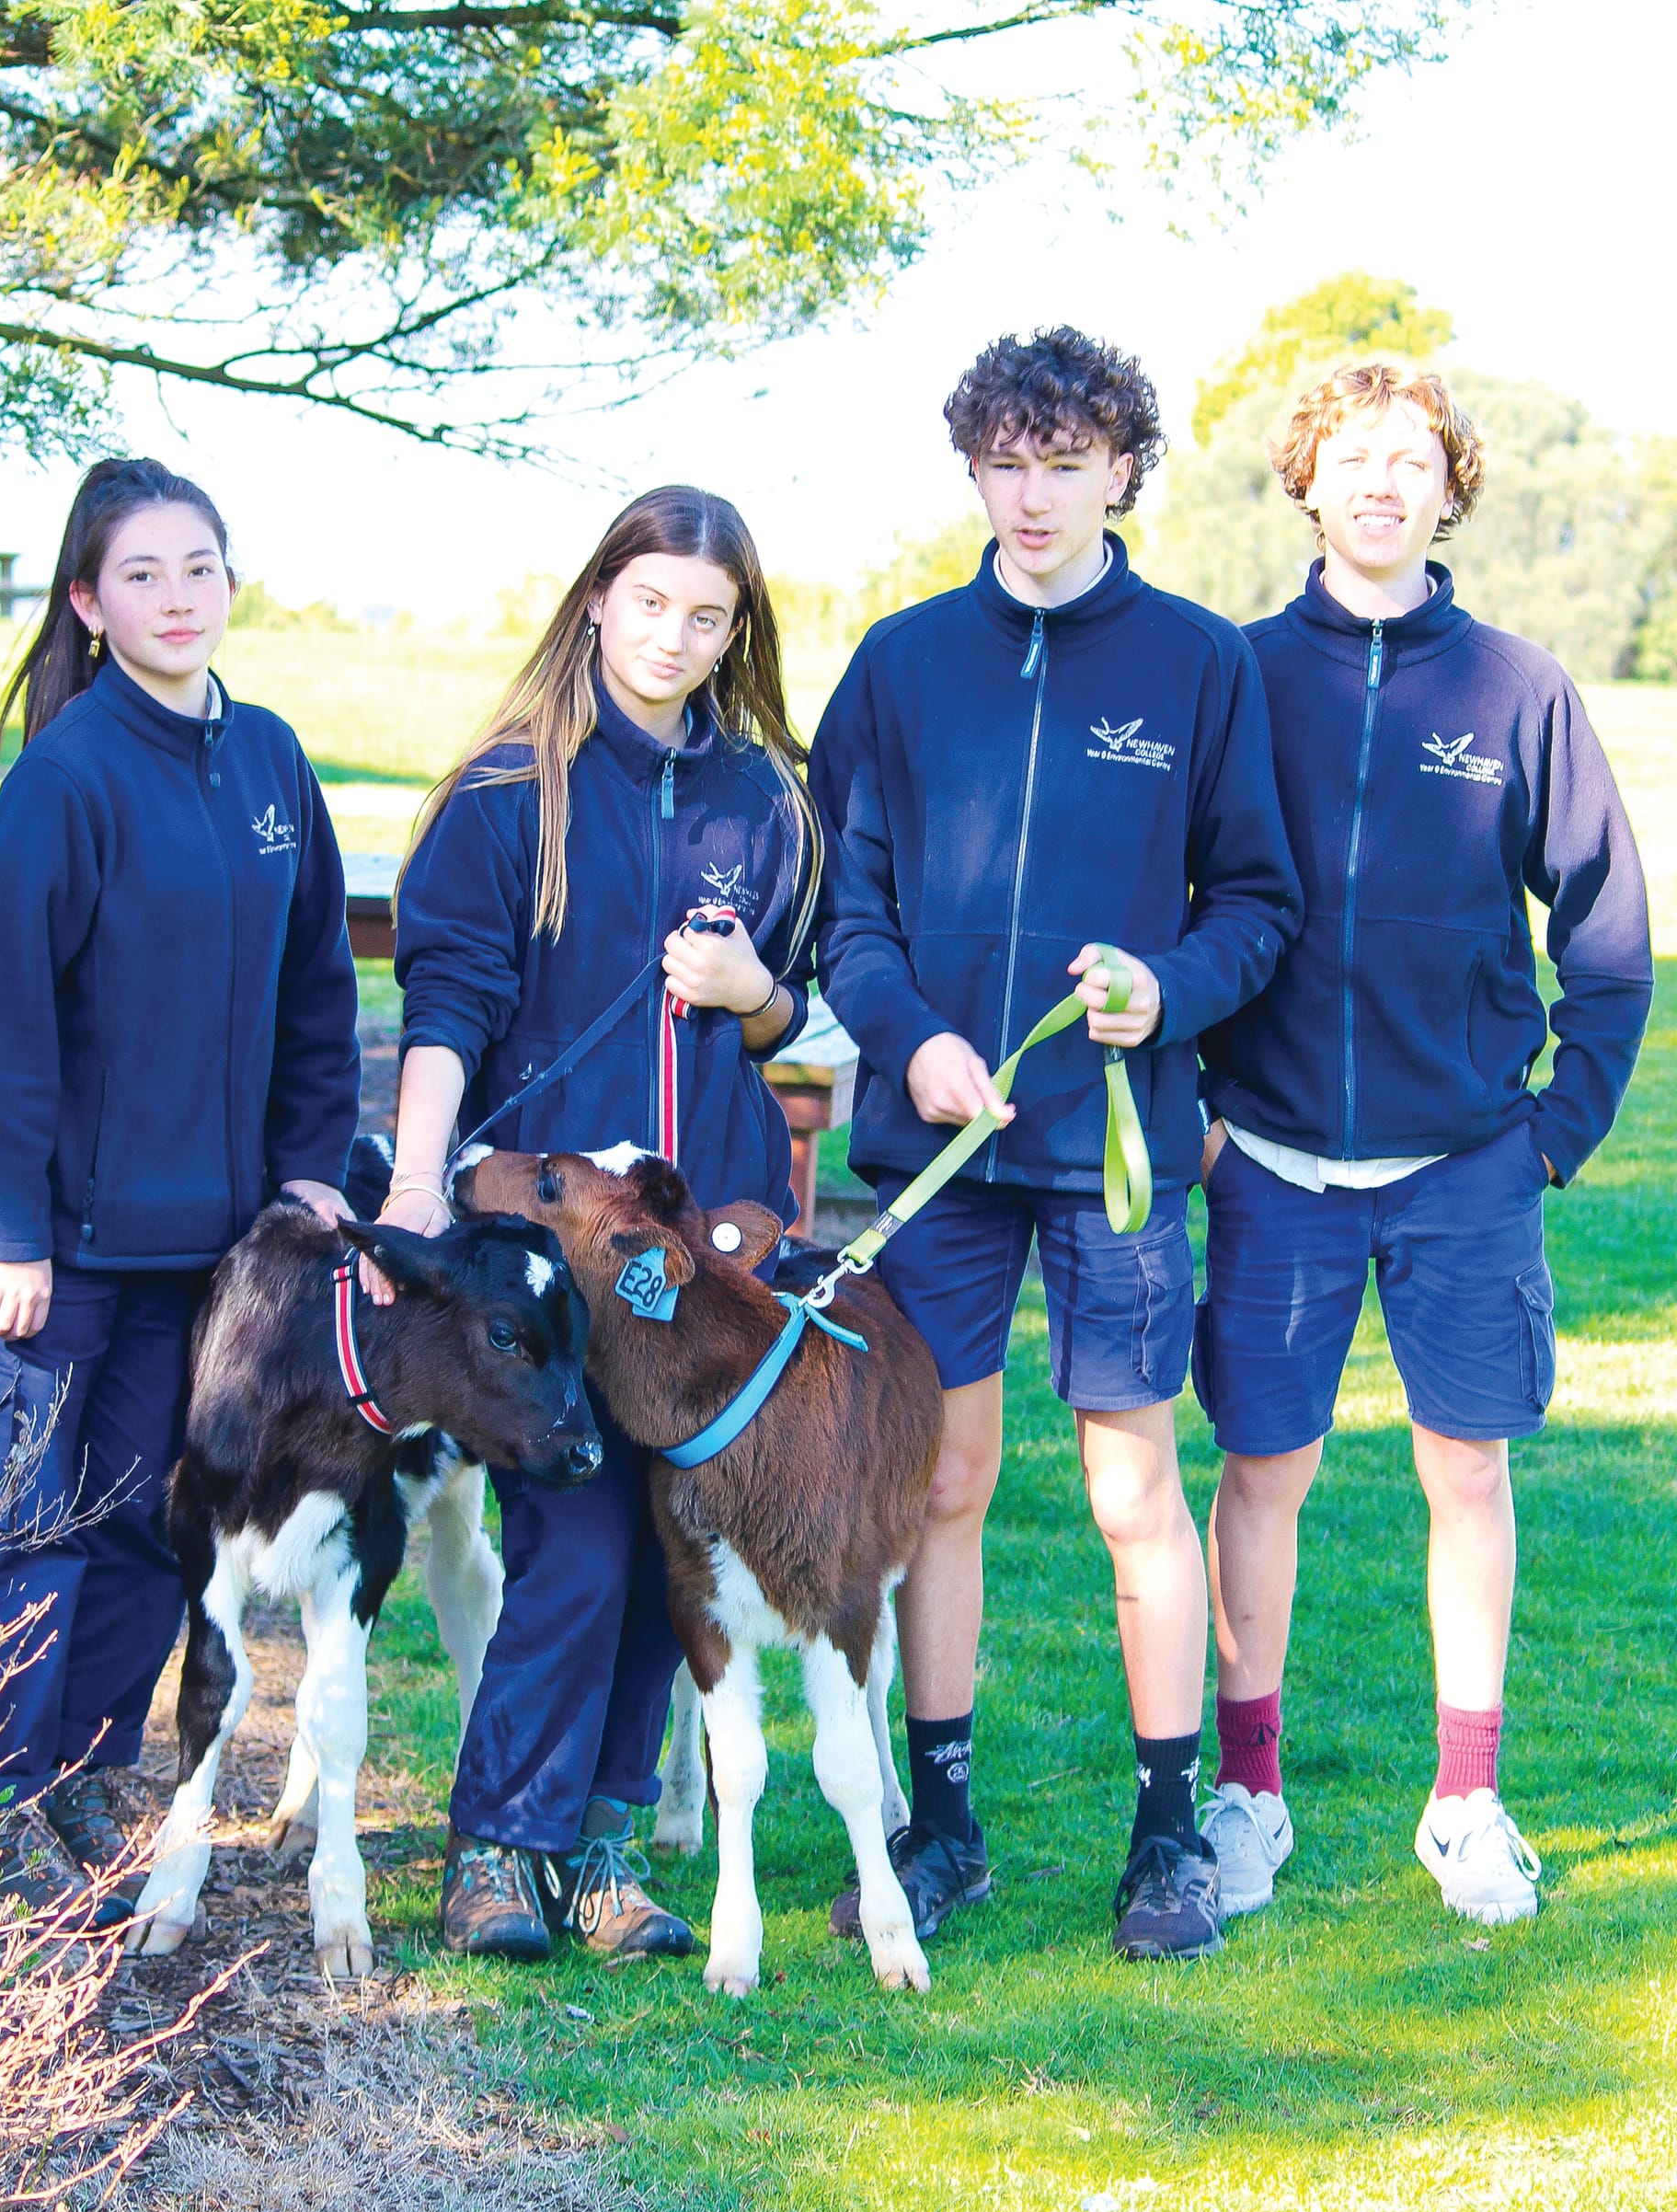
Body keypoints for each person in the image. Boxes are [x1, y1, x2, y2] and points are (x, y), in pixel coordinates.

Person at [810, 328, 1302, 1960]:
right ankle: (943, 1827)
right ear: (974, 470)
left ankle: (1166, 1838)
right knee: (944, 1480)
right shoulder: (899, 664)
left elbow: (1258, 905)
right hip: (940, 1153)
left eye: (1065, 462)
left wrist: (1167, 990)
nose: (1032, 495)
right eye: (1005, 463)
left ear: (1121, 471)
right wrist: (912, 1037)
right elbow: (850, 911)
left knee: (1131, 1485)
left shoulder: (1199, 663)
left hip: (1117, 1147)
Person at [1195, 363, 1653, 1926]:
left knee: (1467, 1464)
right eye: (1354, 455)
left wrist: (1551, 1136)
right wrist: (1195, 1118)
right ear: (1308, 480)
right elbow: (1172, 904)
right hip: (1271, 1159)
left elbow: (1607, 934)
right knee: (1265, 1467)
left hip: (1466, 1166)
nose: (1382, 481)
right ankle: (1247, 1790)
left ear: (1450, 490)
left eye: (1413, 459)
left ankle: (1466, 1798)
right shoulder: (1240, 674)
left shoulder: (1519, 689)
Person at [375, 485, 820, 1961]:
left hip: (700, 1264)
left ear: (736, 631)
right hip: (552, 1244)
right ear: (597, 600)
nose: (674, 637)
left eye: (708, 616)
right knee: (574, 1542)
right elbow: (445, 1009)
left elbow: (798, 1016)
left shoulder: (767, 802)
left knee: (672, 1545)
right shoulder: (509, 793)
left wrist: (757, 994)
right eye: (651, 603)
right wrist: (418, 1184)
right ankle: (500, 1846)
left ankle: (606, 1847)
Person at [0, 457, 362, 1905]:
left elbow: (319, 993)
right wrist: (7, 1227)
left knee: (137, 1525)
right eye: (141, 575)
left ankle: (74, 1784)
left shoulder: (272, 762)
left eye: (199, 569)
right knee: (21, 1528)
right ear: (87, 602)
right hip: (51, 1251)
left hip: (206, 1250)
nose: (178, 598)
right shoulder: (66, 781)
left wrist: (307, 1170)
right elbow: (3, 1023)